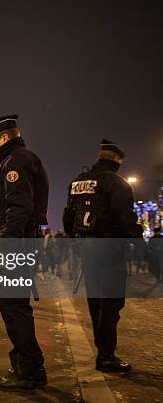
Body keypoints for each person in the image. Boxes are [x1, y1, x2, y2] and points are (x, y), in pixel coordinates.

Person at [0, 115, 49, 391]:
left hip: (17, 246)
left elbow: (19, 207)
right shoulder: (19, 159)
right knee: (14, 306)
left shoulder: (16, 161)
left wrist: (6, 244)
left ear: (5, 138)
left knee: (14, 307)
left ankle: (29, 370)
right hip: (20, 243)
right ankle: (26, 364)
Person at [63, 139, 142, 373]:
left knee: (95, 302)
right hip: (110, 247)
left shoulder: (77, 182)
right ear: (117, 160)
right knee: (111, 303)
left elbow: (68, 217)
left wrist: (76, 240)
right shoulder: (117, 183)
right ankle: (106, 355)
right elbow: (126, 219)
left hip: (87, 247)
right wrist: (141, 246)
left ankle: (103, 350)